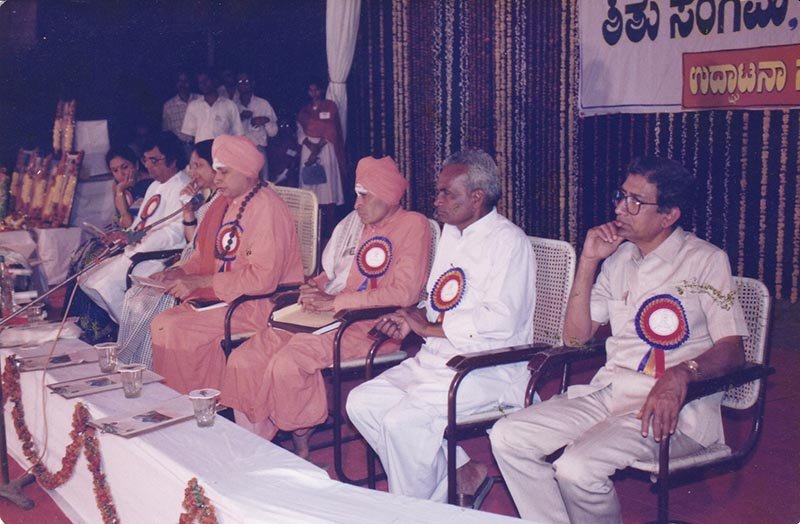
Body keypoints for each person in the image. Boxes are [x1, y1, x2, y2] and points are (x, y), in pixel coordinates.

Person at [490, 157, 748, 524]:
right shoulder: (619, 258)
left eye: (635, 201)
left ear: (669, 215)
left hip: (674, 409)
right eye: (621, 196)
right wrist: (589, 261)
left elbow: (733, 349)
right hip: (610, 392)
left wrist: (682, 373)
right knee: (508, 435)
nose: (619, 209)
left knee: (577, 468)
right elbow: (575, 338)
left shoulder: (706, 261)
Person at [346, 149, 537, 502]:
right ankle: (459, 473)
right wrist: (411, 319)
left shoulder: (509, 242)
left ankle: (417, 512)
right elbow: (440, 301)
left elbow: (502, 320)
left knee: (402, 424)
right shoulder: (452, 233)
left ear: (477, 197)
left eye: (447, 193)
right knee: (362, 402)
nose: (436, 201)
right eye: (438, 192)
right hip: (437, 360)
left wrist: (428, 329)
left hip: (486, 367)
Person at [222, 156, 431, 458]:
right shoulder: (357, 224)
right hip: (326, 317)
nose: (356, 204)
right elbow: (338, 275)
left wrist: (337, 302)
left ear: (386, 194)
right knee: (245, 359)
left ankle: (300, 448)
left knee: (288, 363)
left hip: (369, 327)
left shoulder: (413, 225)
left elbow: (404, 293)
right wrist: (316, 287)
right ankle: (253, 445)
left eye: (364, 195)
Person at [150, 135, 303, 394]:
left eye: (224, 172)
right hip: (226, 299)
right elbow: (204, 256)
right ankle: (181, 399)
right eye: (217, 171)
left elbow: (262, 280)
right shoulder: (226, 204)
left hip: (259, 305)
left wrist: (198, 282)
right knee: (161, 322)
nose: (217, 179)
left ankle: (196, 403)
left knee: (177, 328)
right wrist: (179, 271)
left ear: (246, 172)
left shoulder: (267, 208)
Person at [116, 140, 220, 368]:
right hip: (191, 264)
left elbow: (202, 251)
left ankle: (142, 366)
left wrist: (181, 272)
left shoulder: (223, 202)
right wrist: (188, 210)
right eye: (192, 166)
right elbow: (194, 241)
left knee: (151, 302)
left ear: (217, 168)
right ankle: (133, 363)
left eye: (198, 166)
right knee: (137, 294)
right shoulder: (209, 199)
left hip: (206, 274)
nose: (193, 172)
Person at [80, 132, 191, 324]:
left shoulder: (182, 186)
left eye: (154, 160)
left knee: (104, 286)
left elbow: (175, 233)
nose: (148, 166)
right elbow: (140, 223)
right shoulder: (155, 186)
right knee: (87, 280)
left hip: (157, 257)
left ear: (173, 160)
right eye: (146, 160)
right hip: (136, 251)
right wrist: (125, 235)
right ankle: (129, 326)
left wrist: (140, 240)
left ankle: (136, 329)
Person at [297, 79, 345, 236]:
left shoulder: (330, 106)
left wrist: (317, 149)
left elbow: (332, 130)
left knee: (328, 190)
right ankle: (310, 230)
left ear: (321, 90)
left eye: (316, 90)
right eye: (311, 90)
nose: (314, 93)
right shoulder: (304, 111)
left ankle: (329, 230)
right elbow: (300, 131)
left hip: (326, 149)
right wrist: (311, 148)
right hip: (308, 149)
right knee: (310, 189)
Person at [235, 72, 278, 182]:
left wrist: (265, 121)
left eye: (246, 81)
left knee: (262, 182)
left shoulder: (263, 104)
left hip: (258, 148)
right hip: (239, 150)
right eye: (240, 82)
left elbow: (274, 132)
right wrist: (240, 118)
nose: (243, 84)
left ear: (252, 83)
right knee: (242, 183)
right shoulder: (233, 106)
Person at [181, 70, 244, 143]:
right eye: (200, 83)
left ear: (214, 80)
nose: (203, 85)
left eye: (206, 80)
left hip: (223, 148)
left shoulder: (230, 105)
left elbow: (238, 133)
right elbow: (191, 135)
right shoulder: (193, 106)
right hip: (201, 148)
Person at [106, 145, 152, 229]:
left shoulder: (150, 185)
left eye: (125, 167)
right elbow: (120, 218)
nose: (121, 174)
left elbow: (129, 224)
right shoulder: (117, 185)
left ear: (136, 165)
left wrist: (120, 190)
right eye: (115, 170)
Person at [162, 70, 200, 157]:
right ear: (176, 83)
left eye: (186, 81)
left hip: (200, 146)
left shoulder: (200, 99)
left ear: (190, 82)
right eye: (180, 81)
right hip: (180, 150)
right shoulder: (168, 106)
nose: (183, 84)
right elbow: (166, 130)